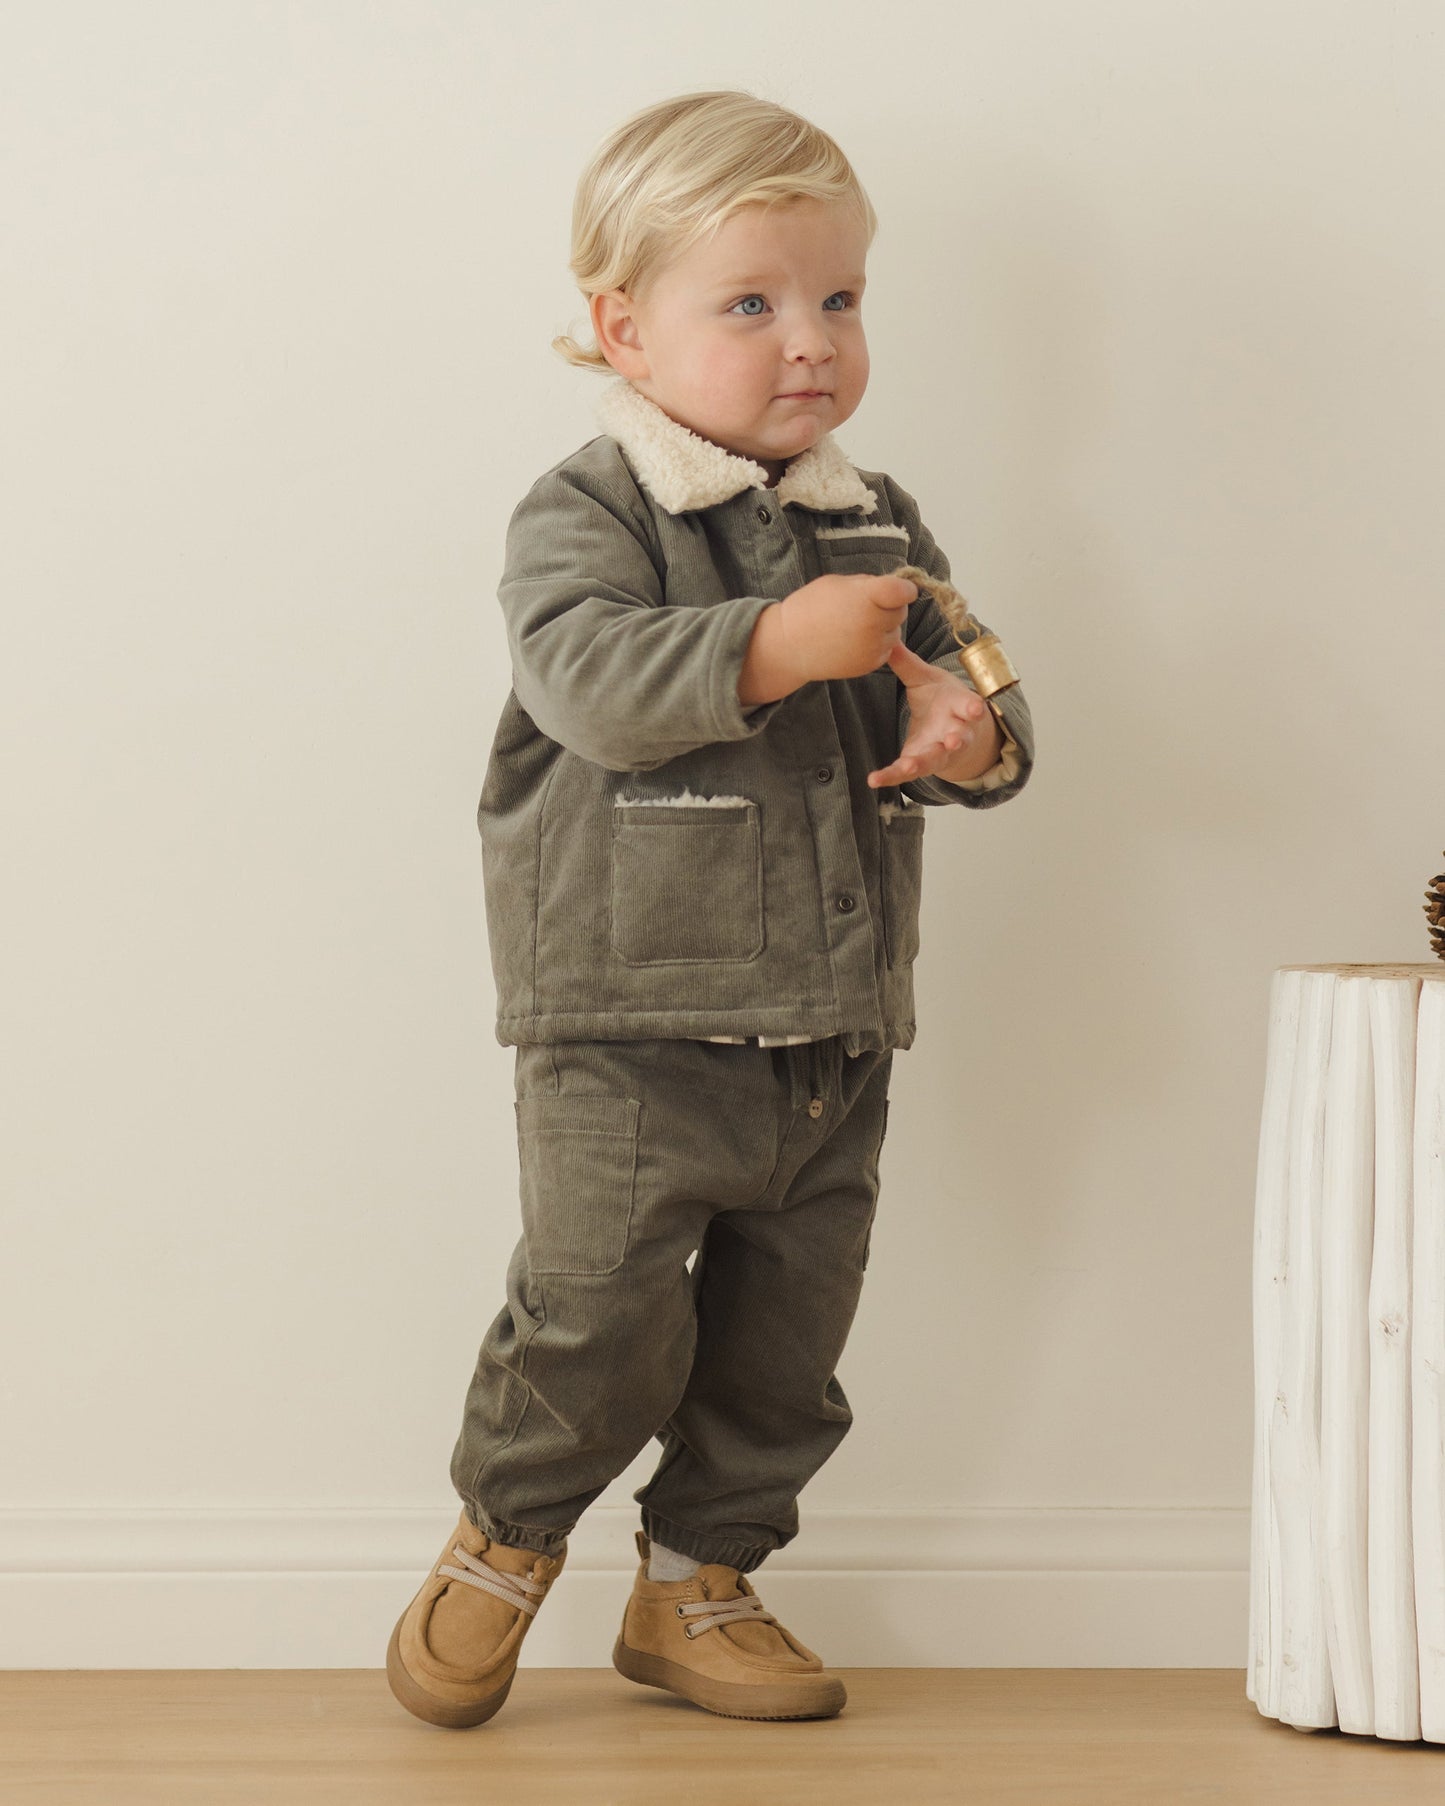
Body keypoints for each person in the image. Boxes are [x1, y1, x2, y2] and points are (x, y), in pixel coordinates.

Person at [386, 88, 1035, 1729]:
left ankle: (697, 1579)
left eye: (839, 297)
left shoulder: (872, 516)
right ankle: (506, 1531)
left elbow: (967, 681)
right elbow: (586, 678)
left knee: (782, 1340)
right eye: (749, 302)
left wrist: (967, 737)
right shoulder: (592, 507)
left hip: (831, 1022)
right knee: (593, 1307)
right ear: (624, 328)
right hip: (628, 1014)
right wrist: (769, 644)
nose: (808, 339)